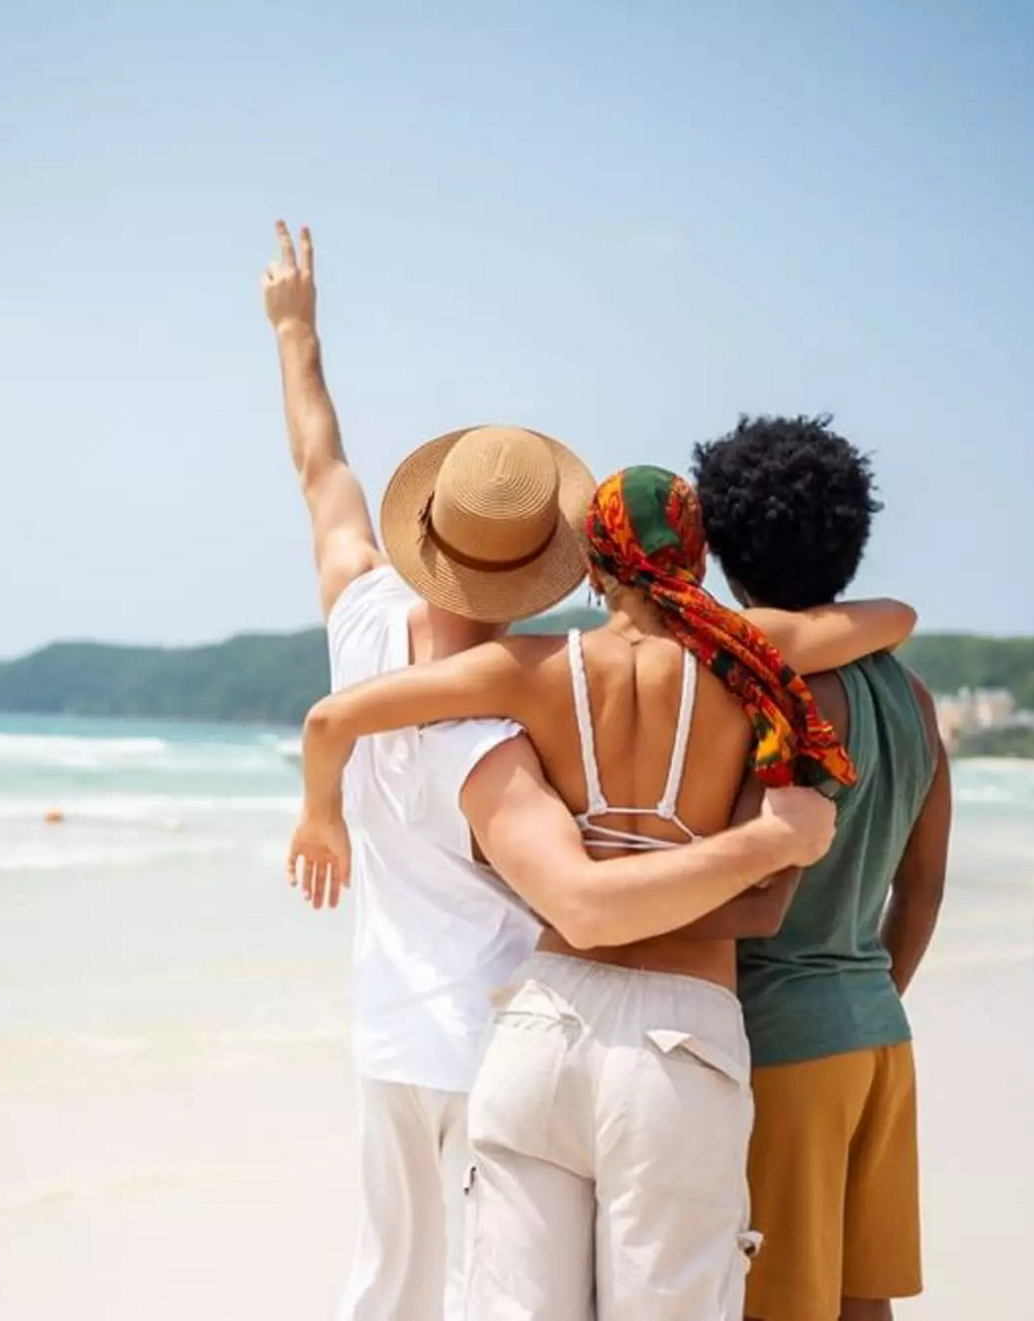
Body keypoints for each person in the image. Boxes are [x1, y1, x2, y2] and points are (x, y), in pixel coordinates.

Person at [264, 226, 844, 1321]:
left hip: (404, 1034)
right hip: (502, 1027)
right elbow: (586, 899)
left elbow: (320, 471)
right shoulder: (502, 737)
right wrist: (771, 842)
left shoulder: (383, 621)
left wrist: (295, 329)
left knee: (389, 1287)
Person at [290, 464, 917, 1320]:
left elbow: (330, 720)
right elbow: (895, 618)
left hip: (543, 1028)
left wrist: (321, 816)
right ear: (697, 558)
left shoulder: (530, 666)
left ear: (592, 566)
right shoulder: (748, 656)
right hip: (678, 1041)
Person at [692, 416, 952, 1321]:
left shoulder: (763, 692)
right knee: (860, 1300)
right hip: (878, 1031)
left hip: (780, 1041)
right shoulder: (913, 697)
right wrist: (868, 991)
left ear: (725, 552)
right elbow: (922, 887)